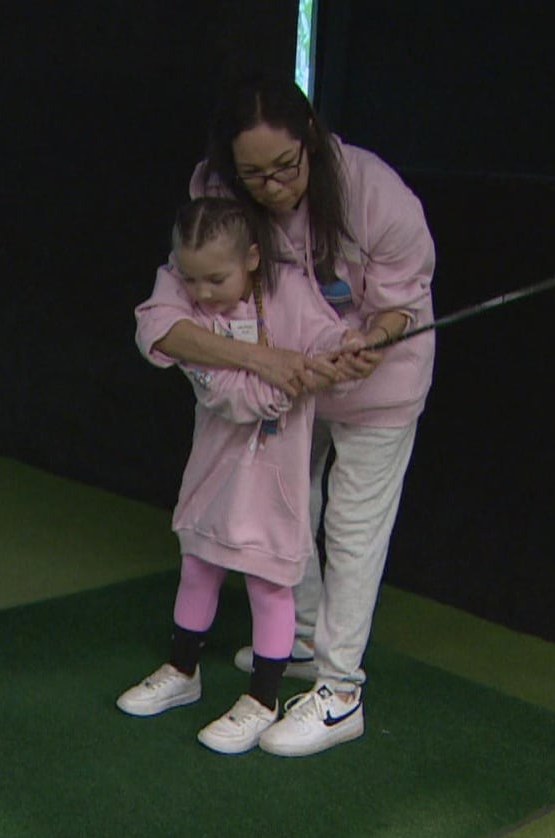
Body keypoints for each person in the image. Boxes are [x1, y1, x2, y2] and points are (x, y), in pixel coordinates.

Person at [134, 75, 436, 757]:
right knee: (284, 503)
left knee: (352, 527)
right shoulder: (215, 196)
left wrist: (370, 341)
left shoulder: (371, 191)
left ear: (313, 142)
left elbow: (401, 303)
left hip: (375, 383)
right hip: (285, 389)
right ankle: (299, 640)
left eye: (285, 167)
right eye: (254, 175)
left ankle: (340, 689)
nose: (272, 187)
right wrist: (265, 363)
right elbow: (167, 315)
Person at [116, 196, 356, 755]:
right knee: (198, 561)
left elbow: (324, 335)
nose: (199, 293)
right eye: (190, 279)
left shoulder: (289, 292)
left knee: (268, 579)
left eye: (214, 278)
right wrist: (283, 382)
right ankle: (183, 670)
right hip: (214, 470)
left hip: (275, 481)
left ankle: (263, 699)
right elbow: (222, 392)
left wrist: (340, 352)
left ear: (252, 258)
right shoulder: (197, 323)